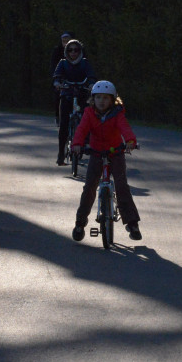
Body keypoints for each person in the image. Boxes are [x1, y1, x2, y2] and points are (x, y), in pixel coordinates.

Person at [70, 80, 142, 241]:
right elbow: (81, 129)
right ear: (93, 99)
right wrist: (77, 144)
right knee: (89, 187)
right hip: (96, 153)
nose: (101, 101)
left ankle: (132, 224)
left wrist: (130, 141)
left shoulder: (117, 113)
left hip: (116, 152)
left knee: (122, 186)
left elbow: (125, 128)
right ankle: (80, 223)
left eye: (106, 98)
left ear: (112, 100)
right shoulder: (89, 113)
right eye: (98, 97)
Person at [52, 39, 95, 165]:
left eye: (76, 50)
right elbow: (57, 75)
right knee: (64, 124)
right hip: (67, 94)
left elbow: (91, 75)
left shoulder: (85, 63)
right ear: (67, 51)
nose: (73, 53)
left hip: (82, 94)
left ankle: (86, 143)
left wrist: (91, 84)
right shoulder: (63, 63)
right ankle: (61, 153)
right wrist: (57, 83)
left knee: (87, 119)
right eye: (70, 50)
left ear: (80, 51)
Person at [50, 31, 74, 125]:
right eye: (64, 40)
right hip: (61, 77)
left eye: (67, 40)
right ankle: (58, 115)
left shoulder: (78, 49)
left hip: (76, 76)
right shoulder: (57, 50)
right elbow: (53, 66)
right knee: (59, 95)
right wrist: (56, 79)